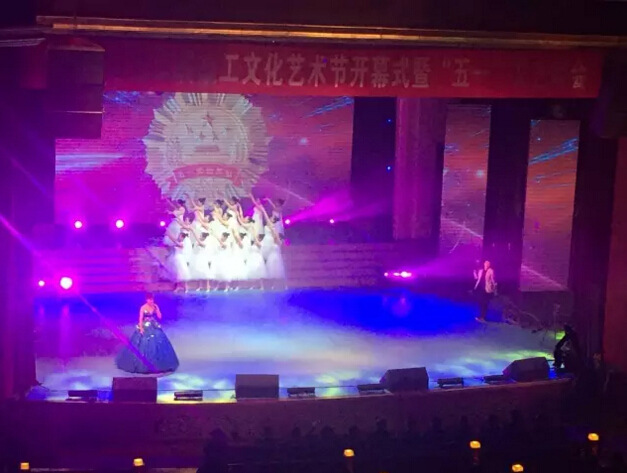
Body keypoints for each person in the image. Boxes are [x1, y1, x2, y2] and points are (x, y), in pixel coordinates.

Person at [115, 293, 179, 374]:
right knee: (143, 342)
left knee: (158, 341)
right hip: (145, 325)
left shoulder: (155, 306)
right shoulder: (143, 307)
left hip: (153, 325)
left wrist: (157, 309)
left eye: (152, 300)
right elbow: (140, 318)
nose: (151, 301)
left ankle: (159, 364)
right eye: (149, 300)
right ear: (146, 300)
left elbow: (160, 317)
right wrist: (141, 328)